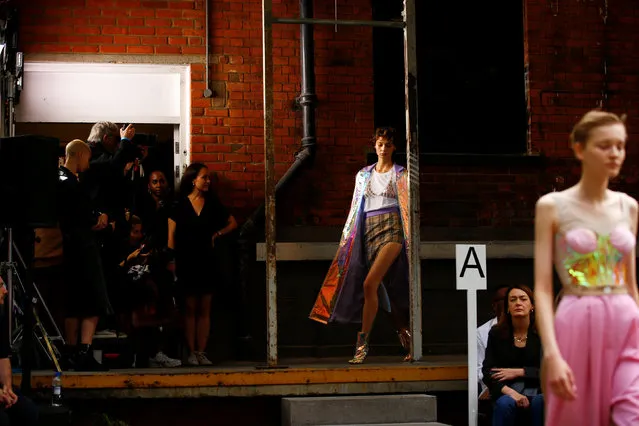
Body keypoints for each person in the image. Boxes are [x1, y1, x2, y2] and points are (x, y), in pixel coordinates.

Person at [534, 110, 639, 425]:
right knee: (576, 415)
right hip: (577, 317)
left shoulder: (629, 207)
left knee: (631, 413)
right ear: (579, 149)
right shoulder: (552, 206)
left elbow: (631, 282)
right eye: (604, 145)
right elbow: (542, 287)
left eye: (620, 145)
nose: (615, 154)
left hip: (626, 320)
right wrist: (551, 354)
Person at [309, 127, 412, 364]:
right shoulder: (363, 175)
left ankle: (362, 345)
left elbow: (408, 211)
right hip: (367, 229)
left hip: (393, 228)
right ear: (374, 146)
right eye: (380, 144)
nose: (383, 148)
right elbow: (356, 208)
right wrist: (348, 241)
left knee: (370, 283)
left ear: (394, 147)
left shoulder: (401, 174)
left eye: (387, 144)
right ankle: (406, 334)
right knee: (384, 290)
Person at [167, 163, 238, 366]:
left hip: (207, 260)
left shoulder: (212, 204)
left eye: (208, 178)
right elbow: (171, 235)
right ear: (193, 179)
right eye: (204, 177)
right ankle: (191, 351)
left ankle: (201, 351)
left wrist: (217, 234)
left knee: (205, 308)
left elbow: (233, 222)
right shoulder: (179, 205)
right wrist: (171, 260)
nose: (207, 181)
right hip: (186, 260)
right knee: (190, 307)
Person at [57, 140, 113, 371]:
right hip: (82, 246)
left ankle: (71, 351)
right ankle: (84, 350)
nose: (88, 164)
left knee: (73, 301)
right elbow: (79, 216)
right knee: (93, 299)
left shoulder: (60, 180)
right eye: (87, 158)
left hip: (68, 249)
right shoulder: (70, 184)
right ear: (79, 155)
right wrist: (98, 220)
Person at [482, 285, 544, 426]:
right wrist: (511, 393)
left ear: (532, 306)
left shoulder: (544, 334)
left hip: (539, 390)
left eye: (523, 299)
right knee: (504, 404)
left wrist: (520, 372)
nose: (518, 303)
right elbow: (487, 372)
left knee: (541, 402)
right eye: (513, 300)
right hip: (508, 391)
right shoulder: (496, 334)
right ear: (507, 308)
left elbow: (551, 372)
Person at [0, 279, 39, 426]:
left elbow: (2, 357)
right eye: (0, 286)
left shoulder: (0, 316)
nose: (6, 290)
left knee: (27, 411)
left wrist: (7, 388)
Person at [478, 285, 509, 398]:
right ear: (494, 306)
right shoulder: (483, 331)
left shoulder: (531, 328)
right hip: (494, 386)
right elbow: (480, 367)